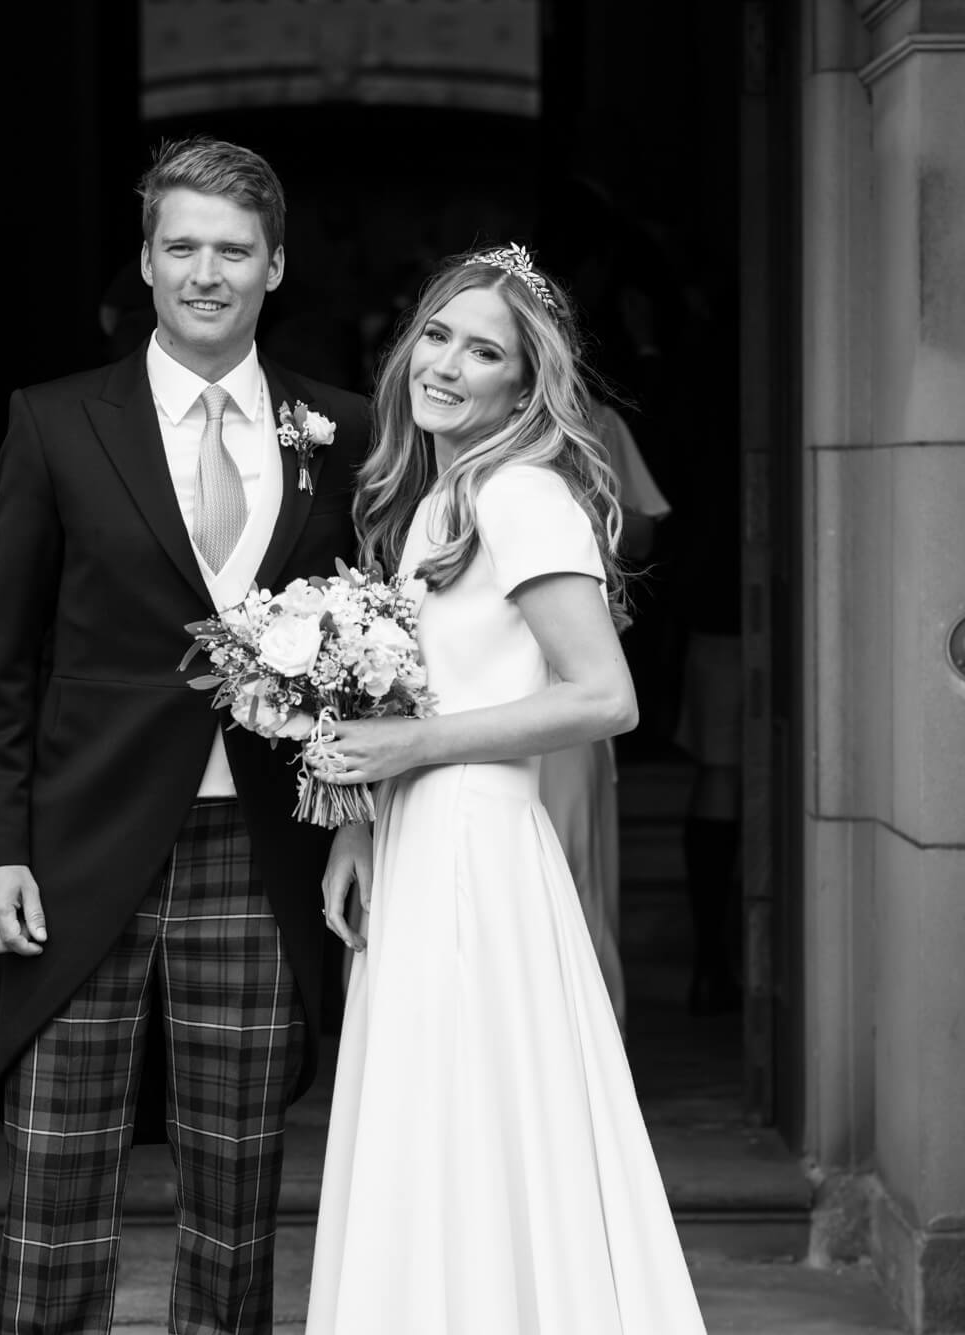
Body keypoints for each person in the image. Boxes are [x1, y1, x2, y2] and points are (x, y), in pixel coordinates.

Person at [0, 137, 371, 1335]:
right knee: (57, 1175)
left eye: (232, 250)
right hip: (78, 850)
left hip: (262, 848)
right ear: (144, 262)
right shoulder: (54, 423)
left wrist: (353, 823)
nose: (204, 273)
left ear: (273, 266)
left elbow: (372, 652)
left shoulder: (340, 431)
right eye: (180, 246)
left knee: (235, 1194)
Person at [306, 246, 707, 1333]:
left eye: (483, 352)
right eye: (436, 335)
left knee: (471, 1122)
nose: (446, 364)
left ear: (525, 386)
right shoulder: (438, 497)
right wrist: (357, 826)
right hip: (418, 839)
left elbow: (605, 697)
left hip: (475, 851)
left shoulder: (520, 493)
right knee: (432, 1128)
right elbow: (426, 689)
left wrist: (412, 746)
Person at [539, 401, 669, 1030]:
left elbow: (642, 531)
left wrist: (583, 518)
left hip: (561, 702)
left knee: (569, 885)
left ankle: (582, 1045)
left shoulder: (597, 422)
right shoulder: (419, 443)